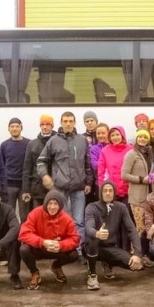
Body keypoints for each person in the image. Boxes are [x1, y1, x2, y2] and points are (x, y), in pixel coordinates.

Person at [37, 111, 93, 263]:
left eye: (70, 121)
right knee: (60, 220)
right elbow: (41, 161)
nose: (68, 124)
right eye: (65, 121)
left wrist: (89, 182)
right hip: (60, 188)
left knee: (79, 221)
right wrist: (45, 176)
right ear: (61, 123)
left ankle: (78, 251)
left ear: (74, 123)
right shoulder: (53, 141)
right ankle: (62, 250)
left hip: (79, 187)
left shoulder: (82, 140)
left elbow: (87, 163)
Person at [84, 180, 144, 290]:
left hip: (110, 247)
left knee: (135, 266)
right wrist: (97, 233)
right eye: (105, 191)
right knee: (93, 240)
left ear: (114, 193)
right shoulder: (91, 207)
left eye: (110, 191)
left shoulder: (121, 207)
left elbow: (131, 230)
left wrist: (137, 254)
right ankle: (92, 275)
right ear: (101, 193)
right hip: (91, 247)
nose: (108, 193)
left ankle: (107, 263)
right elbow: (88, 227)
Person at [18, 189, 80, 290]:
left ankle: (56, 266)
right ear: (45, 204)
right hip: (39, 248)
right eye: (50, 203)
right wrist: (42, 242)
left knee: (74, 254)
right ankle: (34, 272)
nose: (52, 207)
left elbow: (75, 239)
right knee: (24, 249)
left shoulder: (66, 219)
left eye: (55, 204)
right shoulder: (35, 213)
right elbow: (23, 234)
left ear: (60, 205)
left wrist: (61, 245)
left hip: (57, 250)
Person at [121, 129, 154, 267]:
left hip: (149, 195)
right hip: (137, 196)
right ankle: (136, 256)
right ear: (136, 139)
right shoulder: (131, 154)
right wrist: (142, 179)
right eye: (140, 137)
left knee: (147, 227)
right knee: (139, 228)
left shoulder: (149, 153)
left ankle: (144, 255)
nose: (142, 139)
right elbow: (124, 175)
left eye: (145, 137)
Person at [22, 115, 56, 213]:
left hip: (55, 187)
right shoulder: (32, 144)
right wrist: (26, 190)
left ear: (52, 126)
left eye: (48, 124)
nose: (45, 127)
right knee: (38, 215)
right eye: (42, 124)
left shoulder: (57, 142)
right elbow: (27, 168)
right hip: (37, 189)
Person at [0, 117, 30, 222]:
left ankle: (24, 232)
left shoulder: (29, 144)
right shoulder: (4, 145)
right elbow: (1, 165)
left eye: (17, 126)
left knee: (25, 215)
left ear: (21, 128)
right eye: (12, 126)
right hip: (9, 185)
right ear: (8, 128)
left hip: (24, 185)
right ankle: (11, 232)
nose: (15, 129)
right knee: (9, 213)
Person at [97, 126, 133, 207]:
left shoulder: (130, 149)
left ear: (122, 135)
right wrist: (102, 187)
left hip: (128, 190)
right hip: (111, 191)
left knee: (126, 212)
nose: (115, 137)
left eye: (117, 135)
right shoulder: (105, 151)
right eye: (112, 135)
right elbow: (101, 171)